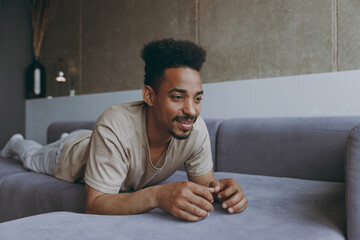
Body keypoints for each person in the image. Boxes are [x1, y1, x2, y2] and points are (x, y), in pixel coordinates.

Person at [1, 38, 247, 221]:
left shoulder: (195, 129)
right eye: (177, 97)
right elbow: (94, 204)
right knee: (30, 155)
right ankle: (16, 142)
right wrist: (157, 196)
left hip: (99, 145)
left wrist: (222, 191)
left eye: (197, 99)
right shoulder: (115, 123)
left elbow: (205, 187)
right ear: (149, 96)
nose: (192, 110)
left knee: (91, 143)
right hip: (68, 154)